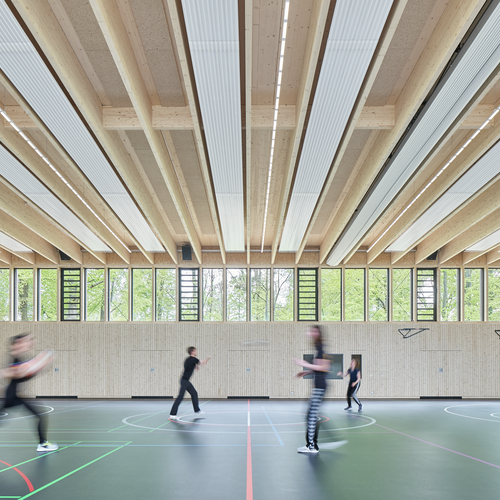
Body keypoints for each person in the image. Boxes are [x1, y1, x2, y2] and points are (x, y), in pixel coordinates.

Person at [0, 334, 58, 452]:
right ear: (15, 345)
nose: (25, 344)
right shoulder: (14, 358)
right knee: (40, 416)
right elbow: (19, 373)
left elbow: (24, 374)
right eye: (21, 342)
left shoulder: (19, 359)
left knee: (40, 416)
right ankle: (43, 444)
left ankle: (43, 443)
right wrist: (39, 362)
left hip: (13, 396)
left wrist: (40, 364)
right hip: (11, 396)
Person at [294, 325, 330, 454]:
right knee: (311, 415)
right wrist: (307, 371)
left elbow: (325, 366)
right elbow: (319, 367)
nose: (311, 333)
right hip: (318, 386)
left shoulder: (321, 347)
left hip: (320, 387)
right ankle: (311, 444)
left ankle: (312, 446)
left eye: (314, 331)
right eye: (311, 331)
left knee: (311, 416)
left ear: (319, 333)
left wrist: (305, 364)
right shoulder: (318, 347)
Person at [170, 347, 210, 421]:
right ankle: (172, 414)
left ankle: (197, 411)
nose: (196, 352)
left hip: (185, 380)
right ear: (192, 352)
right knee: (180, 397)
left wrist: (195, 366)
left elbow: (187, 366)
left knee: (194, 393)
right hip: (184, 381)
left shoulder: (188, 360)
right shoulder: (193, 359)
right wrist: (208, 358)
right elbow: (203, 363)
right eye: (195, 351)